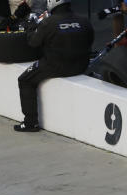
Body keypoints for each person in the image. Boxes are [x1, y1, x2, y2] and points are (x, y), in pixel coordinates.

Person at [14, 0, 94, 132]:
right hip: (82, 66)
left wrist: (31, 26)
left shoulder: (48, 22)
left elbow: (33, 42)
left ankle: (30, 122)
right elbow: (90, 40)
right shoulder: (84, 20)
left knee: (24, 80)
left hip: (56, 66)